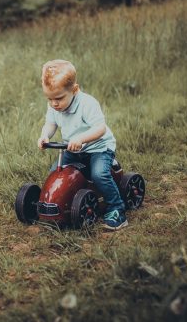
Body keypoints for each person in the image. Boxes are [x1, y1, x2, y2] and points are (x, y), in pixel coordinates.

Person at [37, 59, 127, 230]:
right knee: (55, 172)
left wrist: (82, 139)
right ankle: (60, 203)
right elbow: (50, 124)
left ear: (74, 90)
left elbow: (100, 128)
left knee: (99, 174)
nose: (54, 104)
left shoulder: (87, 104)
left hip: (98, 148)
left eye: (59, 98)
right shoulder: (54, 107)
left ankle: (117, 208)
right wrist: (44, 136)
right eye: (49, 99)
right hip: (72, 149)